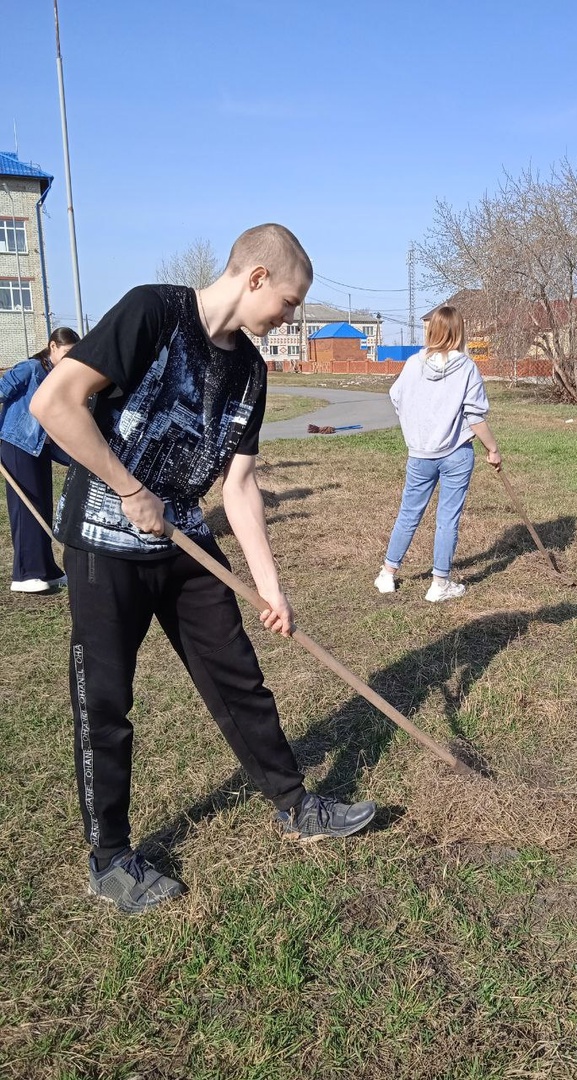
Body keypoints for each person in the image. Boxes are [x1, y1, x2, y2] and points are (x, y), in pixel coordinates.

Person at [30, 224, 376, 915]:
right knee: (106, 701)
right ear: (254, 278)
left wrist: (270, 587)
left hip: (183, 536)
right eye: (288, 301)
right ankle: (110, 859)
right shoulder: (152, 313)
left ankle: (294, 804)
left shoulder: (251, 369)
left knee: (238, 675)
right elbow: (55, 405)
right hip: (104, 538)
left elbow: (239, 485)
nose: (290, 316)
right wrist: (129, 489)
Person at [374, 305, 502, 602]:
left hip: (420, 454)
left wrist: (416, 427)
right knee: (448, 518)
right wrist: (493, 450)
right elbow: (475, 416)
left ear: (431, 331)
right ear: (459, 332)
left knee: (409, 513)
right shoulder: (467, 367)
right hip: (457, 453)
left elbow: (396, 397)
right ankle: (439, 583)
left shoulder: (412, 364)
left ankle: (387, 574)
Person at [0, 327, 80, 593]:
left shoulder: (54, 374)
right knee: (25, 507)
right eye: (66, 352)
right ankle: (25, 574)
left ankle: (47, 569)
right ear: (52, 347)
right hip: (17, 444)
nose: (69, 358)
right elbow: (2, 389)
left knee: (43, 505)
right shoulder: (31, 368)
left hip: (38, 447)